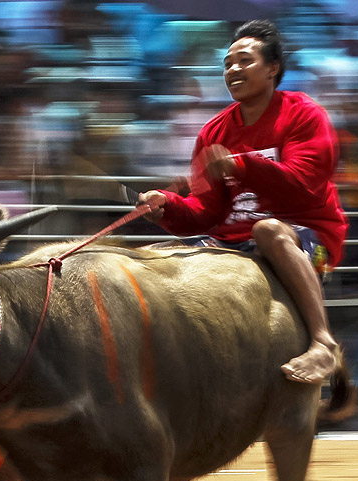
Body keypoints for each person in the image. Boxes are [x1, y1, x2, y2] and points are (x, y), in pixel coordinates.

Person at [137, 19, 347, 384]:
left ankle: (322, 342)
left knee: (268, 229)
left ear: (272, 68)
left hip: (308, 240)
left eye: (245, 60)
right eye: (228, 63)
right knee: (156, 255)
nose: (233, 69)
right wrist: (167, 206)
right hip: (232, 240)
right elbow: (207, 212)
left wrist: (241, 164)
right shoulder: (214, 131)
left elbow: (304, 186)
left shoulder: (304, 114)